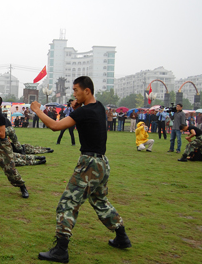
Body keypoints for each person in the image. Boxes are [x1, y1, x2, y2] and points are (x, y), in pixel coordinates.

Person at [31, 76, 131, 263]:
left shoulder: (84, 112)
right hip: (102, 163)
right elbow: (87, 120)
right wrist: (78, 108)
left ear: (87, 91)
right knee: (100, 200)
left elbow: (55, 126)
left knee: (67, 203)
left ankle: (61, 250)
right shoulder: (99, 107)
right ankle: (122, 237)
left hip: (89, 163)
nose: (74, 94)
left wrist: (37, 110)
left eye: (76, 90)